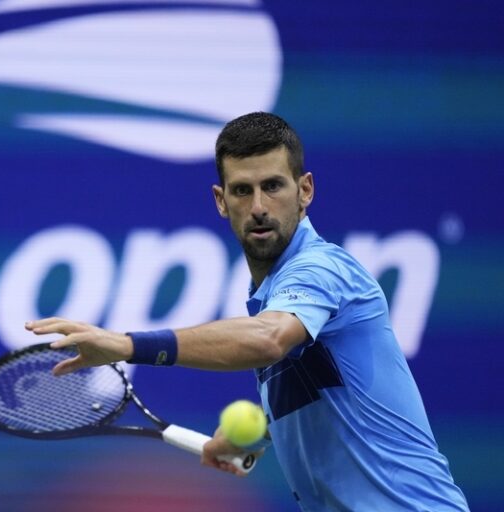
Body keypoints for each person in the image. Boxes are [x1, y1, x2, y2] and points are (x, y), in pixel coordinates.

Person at [25, 112, 469, 511]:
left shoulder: (321, 268)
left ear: (305, 190)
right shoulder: (268, 295)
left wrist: (125, 345)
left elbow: (265, 340)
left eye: (272, 186)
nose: (258, 207)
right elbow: (323, 396)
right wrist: (253, 438)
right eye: (242, 190)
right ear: (221, 201)